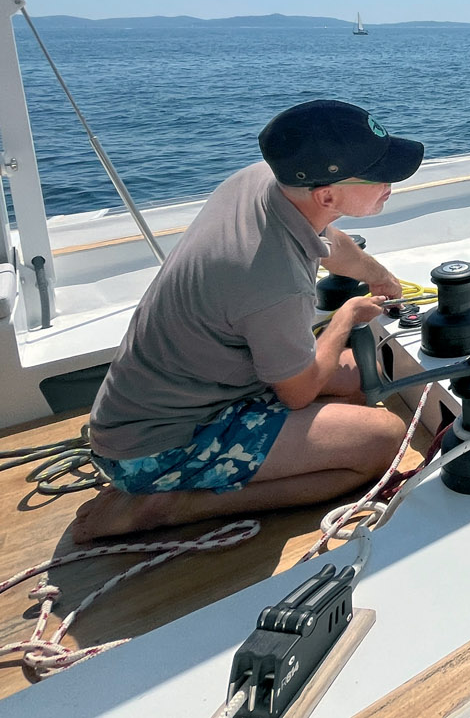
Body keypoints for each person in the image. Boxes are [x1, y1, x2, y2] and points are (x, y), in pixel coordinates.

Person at [72, 100, 424, 543]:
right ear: (327, 195)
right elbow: (298, 393)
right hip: (155, 449)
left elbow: (327, 240)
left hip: (164, 402)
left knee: (358, 374)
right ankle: (171, 506)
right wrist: (345, 317)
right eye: (377, 176)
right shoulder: (274, 280)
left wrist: (378, 275)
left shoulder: (263, 181)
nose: (389, 185)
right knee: (384, 441)